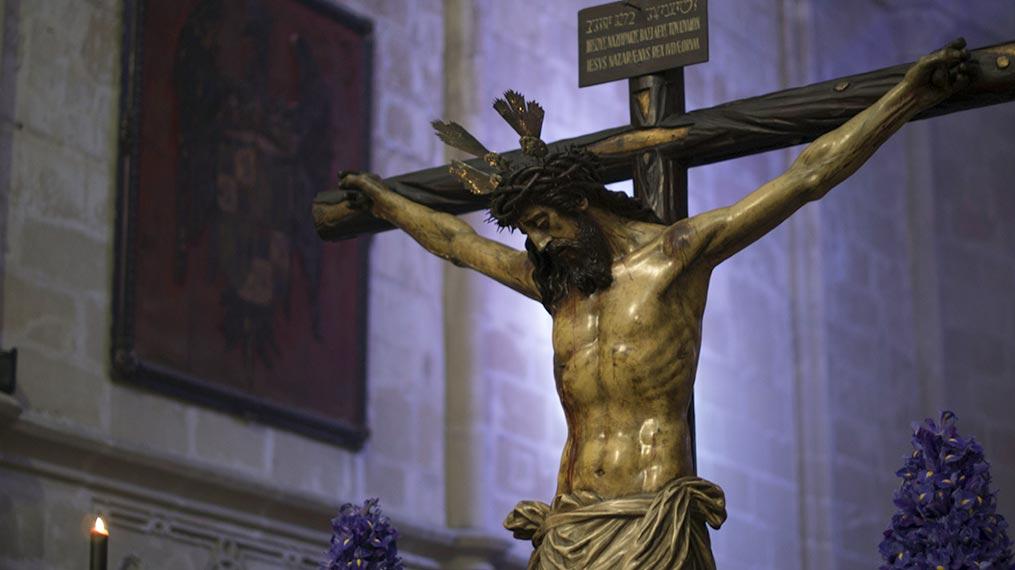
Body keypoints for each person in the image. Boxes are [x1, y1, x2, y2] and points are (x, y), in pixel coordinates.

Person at [335, 39, 975, 570]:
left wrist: (909, 95)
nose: (537, 242)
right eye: (528, 230)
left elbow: (808, 176)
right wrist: (383, 199)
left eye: (543, 223)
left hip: (653, 526)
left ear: (580, 204)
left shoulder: (677, 256)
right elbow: (455, 241)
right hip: (568, 528)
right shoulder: (557, 286)